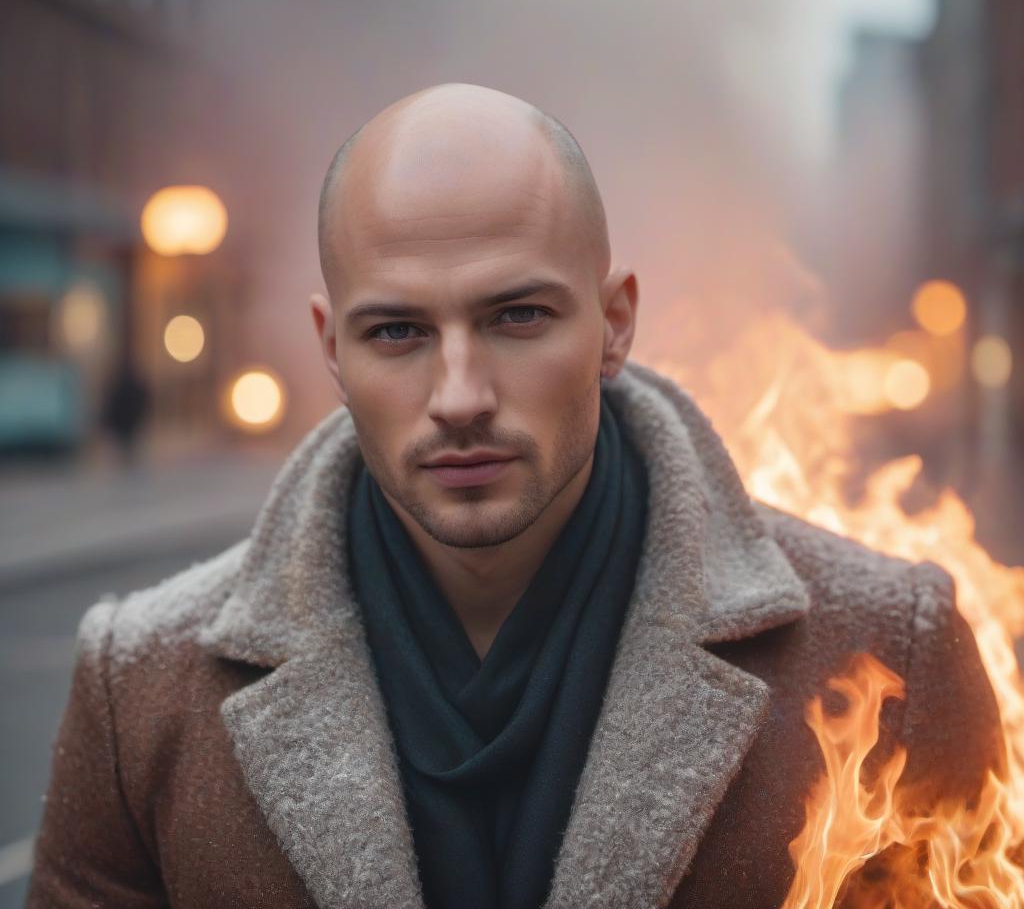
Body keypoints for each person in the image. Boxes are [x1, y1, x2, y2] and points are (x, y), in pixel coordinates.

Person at [27, 84, 1003, 909]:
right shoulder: (142, 686)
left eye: (517, 316)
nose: (458, 397)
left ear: (614, 322)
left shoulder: (885, 647)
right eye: (397, 333)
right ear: (330, 348)